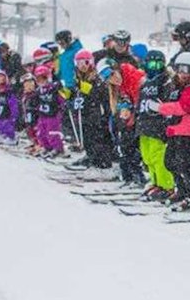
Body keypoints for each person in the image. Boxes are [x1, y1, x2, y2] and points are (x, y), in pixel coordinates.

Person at [159, 52, 190, 208]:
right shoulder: (175, 84)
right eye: (179, 69)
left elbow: (184, 107)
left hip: (188, 129)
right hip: (175, 128)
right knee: (169, 162)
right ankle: (183, 190)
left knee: (184, 163)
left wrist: (161, 108)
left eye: (186, 70)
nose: (182, 73)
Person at [136, 50, 176, 200]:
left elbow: (168, 104)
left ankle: (167, 185)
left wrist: (166, 121)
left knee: (158, 156)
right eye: (152, 63)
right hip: (144, 124)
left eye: (159, 63)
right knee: (147, 158)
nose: (155, 67)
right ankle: (156, 182)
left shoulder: (165, 82)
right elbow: (140, 102)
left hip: (157, 125)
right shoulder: (145, 83)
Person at [103, 57, 147, 186]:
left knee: (135, 146)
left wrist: (132, 114)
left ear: (117, 69)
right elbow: (126, 101)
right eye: (108, 78)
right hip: (135, 115)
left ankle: (137, 175)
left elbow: (140, 99)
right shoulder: (119, 85)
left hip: (146, 116)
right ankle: (129, 175)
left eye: (112, 74)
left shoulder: (133, 76)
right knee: (125, 143)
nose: (113, 79)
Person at [70, 51, 114, 176]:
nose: (82, 66)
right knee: (87, 137)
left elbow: (97, 92)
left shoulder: (96, 77)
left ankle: (103, 163)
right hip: (84, 112)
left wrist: (83, 87)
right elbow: (77, 93)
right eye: (79, 63)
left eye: (85, 62)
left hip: (96, 113)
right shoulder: (78, 77)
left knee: (97, 138)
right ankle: (91, 157)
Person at [32, 65, 65, 157]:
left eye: (43, 78)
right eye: (38, 79)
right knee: (41, 132)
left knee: (52, 132)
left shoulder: (53, 88)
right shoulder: (38, 90)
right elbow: (35, 101)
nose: (41, 81)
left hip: (53, 114)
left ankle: (57, 148)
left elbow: (61, 99)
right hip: (42, 115)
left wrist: (62, 108)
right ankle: (46, 146)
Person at [55, 30, 83, 96]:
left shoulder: (77, 51)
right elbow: (61, 72)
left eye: (62, 43)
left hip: (77, 85)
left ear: (68, 40)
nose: (61, 46)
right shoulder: (62, 56)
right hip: (67, 87)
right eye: (59, 44)